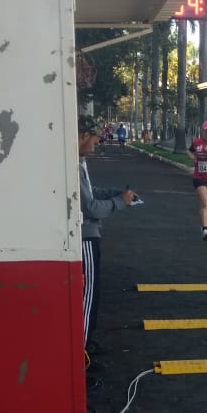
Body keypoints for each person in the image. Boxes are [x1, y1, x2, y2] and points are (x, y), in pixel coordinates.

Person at [77, 115, 139, 391]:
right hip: (85, 236)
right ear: (81, 136)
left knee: (92, 294)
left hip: (89, 235)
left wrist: (117, 193)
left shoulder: (80, 162)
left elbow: (91, 193)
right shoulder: (73, 165)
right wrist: (119, 203)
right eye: (94, 136)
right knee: (88, 295)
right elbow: (90, 207)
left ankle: (85, 345)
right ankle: (81, 356)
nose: (98, 141)